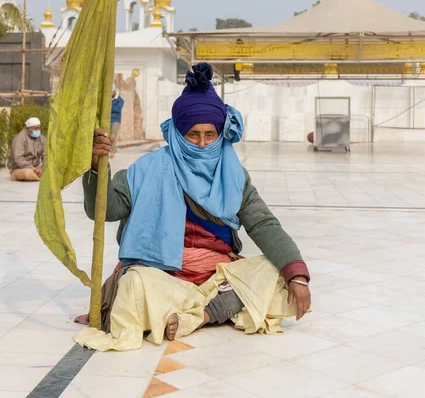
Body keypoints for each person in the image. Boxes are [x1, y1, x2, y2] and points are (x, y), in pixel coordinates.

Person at [80, 63, 311, 349]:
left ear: (220, 133)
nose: (202, 144)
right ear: (178, 133)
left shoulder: (233, 175)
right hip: (164, 276)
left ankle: (200, 315)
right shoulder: (148, 168)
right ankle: (215, 310)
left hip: (215, 277)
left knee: (276, 272)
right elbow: (105, 210)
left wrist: (297, 275)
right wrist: (95, 167)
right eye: (193, 135)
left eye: (209, 134)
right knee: (134, 283)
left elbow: (263, 224)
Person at [9, 117, 45, 181]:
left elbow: (46, 156)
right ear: (29, 128)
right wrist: (32, 168)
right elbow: (18, 159)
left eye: (39, 128)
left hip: (36, 168)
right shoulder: (20, 138)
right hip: (19, 168)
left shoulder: (42, 138)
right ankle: (40, 179)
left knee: (53, 171)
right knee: (27, 173)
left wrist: (42, 167)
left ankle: (39, 175)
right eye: (36, 128)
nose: (38, 130)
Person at [110, 83, 124, 158]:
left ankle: (113, 151)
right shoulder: (109, 99)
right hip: (108, 120)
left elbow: (117, 109)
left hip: (115, 120)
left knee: (113, 135)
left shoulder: (120, 100)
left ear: (114, 91)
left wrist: (109, 105)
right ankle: (109, 150)